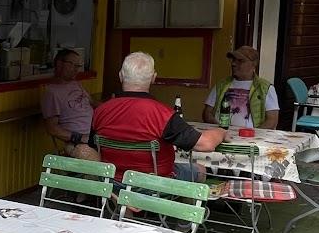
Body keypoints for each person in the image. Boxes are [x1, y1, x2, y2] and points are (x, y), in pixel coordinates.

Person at [92, 51, 223, 182]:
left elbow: (92, 151)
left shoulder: (100, 111)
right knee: (199, 170)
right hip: (155, 186)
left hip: (112, 184)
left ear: (120, 76)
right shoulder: (162, 114)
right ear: (154, 77)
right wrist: (221, 132)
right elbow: (206, 144)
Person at [41, 49, 101, 162]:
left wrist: (114, 107)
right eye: (73, 65)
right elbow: (52, 128)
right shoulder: (52, 93)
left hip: (96, 136)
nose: (76, 70)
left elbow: (92, 103)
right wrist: (79, 138)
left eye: (78, 66)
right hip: (77, 143)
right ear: (59, 64)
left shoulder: (76, 84)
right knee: (100, 163)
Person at [203, 46, 280, 130]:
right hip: (220, 135)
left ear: (253, 64)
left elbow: (272, 120)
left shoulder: (265, 88)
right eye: (233, 60)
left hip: (250, 139)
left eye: (240, 61)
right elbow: (207, 113)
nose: (233, 64)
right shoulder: (221, 85)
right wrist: (219, 129)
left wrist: (252, 135)